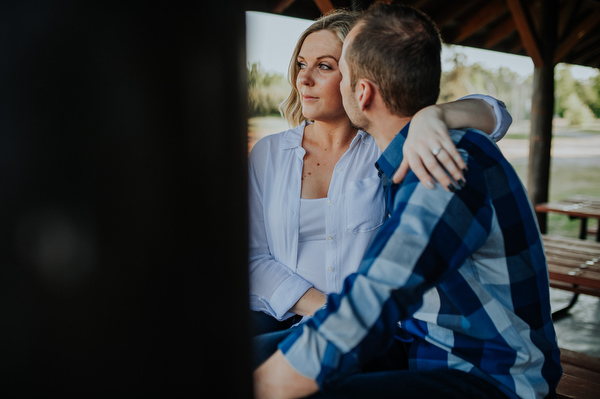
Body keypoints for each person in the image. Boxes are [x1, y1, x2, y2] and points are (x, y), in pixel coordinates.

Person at [253, 4, 562, 399]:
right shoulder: (415, 154)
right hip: (429, 353)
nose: (306, 80)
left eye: (337, 71)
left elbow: (377, 297)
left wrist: (269, 384)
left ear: (361, 92)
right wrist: (435, 115)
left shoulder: (442, 166)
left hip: (491, 375)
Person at [249, 9, 512, 335]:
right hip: (285, 315)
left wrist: (433, 116)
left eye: (325, 67)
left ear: (358, 78)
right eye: (301, 64)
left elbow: (497, 116)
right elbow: (253, 259)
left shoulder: (390, 147)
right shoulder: (269, 153)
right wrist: (333, 311)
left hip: (374, 330)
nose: (304, 78)